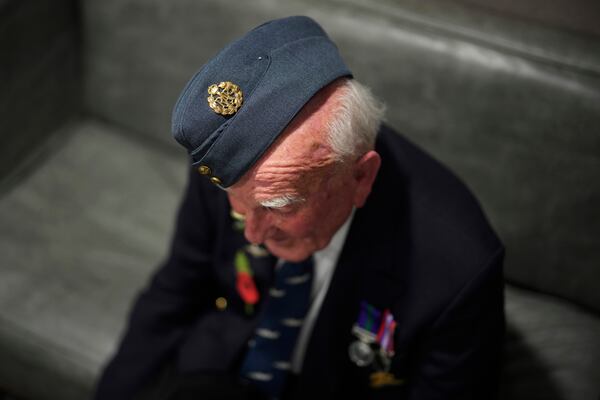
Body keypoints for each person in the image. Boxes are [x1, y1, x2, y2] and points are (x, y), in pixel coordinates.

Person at [94, 16, 505, 400]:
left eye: (278, 207)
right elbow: (176, 289)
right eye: (240, 208)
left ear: (359, 178)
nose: (252, 232)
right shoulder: (233, 166)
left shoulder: (459, 268)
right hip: (220, 364)